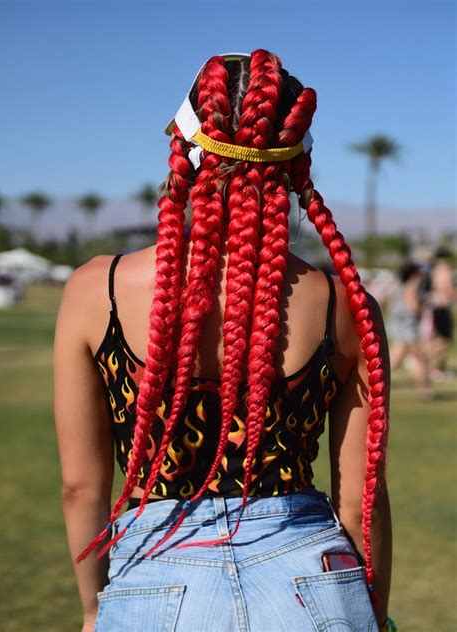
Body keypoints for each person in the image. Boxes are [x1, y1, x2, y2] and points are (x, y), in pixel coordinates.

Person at [54, 50, 394, 632]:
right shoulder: (342, 305)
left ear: (185, 151)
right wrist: (374, 617)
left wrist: (94, 609)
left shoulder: (97, 290)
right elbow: (361, 497)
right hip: (313, 582)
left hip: (155, 576)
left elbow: (81, 487)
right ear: (297, 164)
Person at [387, 262, 432, 400]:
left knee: (394, 361)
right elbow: (414, 308)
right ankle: (424, 391)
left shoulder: (401, 286)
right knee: (421, 360)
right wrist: (425, 302)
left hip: (402, 330)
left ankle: (374, 382)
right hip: (408, 331)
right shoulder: (411, 288)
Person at [428, 247, 455, 379]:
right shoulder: (444, 270)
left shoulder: (434, 270)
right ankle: (427, 361)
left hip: (437, 307)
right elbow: (447, 288)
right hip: (442, 307)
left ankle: (439, 367)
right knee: (445, 340)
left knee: (442, 339)